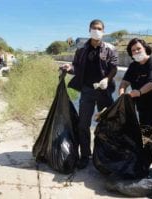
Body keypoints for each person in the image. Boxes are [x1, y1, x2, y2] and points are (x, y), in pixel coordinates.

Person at [61, 19, 118, 169]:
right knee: (83, 124)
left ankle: (104, 154)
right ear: (89, 30)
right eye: (94, 28)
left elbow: (114, 68)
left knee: (108, 123)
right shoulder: (81, 49)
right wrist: (69, 67)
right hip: (87, 91)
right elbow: (76, 68)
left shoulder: (110, 48)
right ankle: (85, 155)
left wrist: (107, 78)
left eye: (99, 28)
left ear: (103, 31)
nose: (96, 30)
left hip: (104, 91)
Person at [119, 38, 152, 165]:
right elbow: (125, 82)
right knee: (146, 130)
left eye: (138, 49)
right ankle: (147, 159)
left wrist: (139, 92)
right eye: (133, 50)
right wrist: (121, 93)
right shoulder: (133, 66)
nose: (136, 51)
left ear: (145, 48)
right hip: (142, 104)